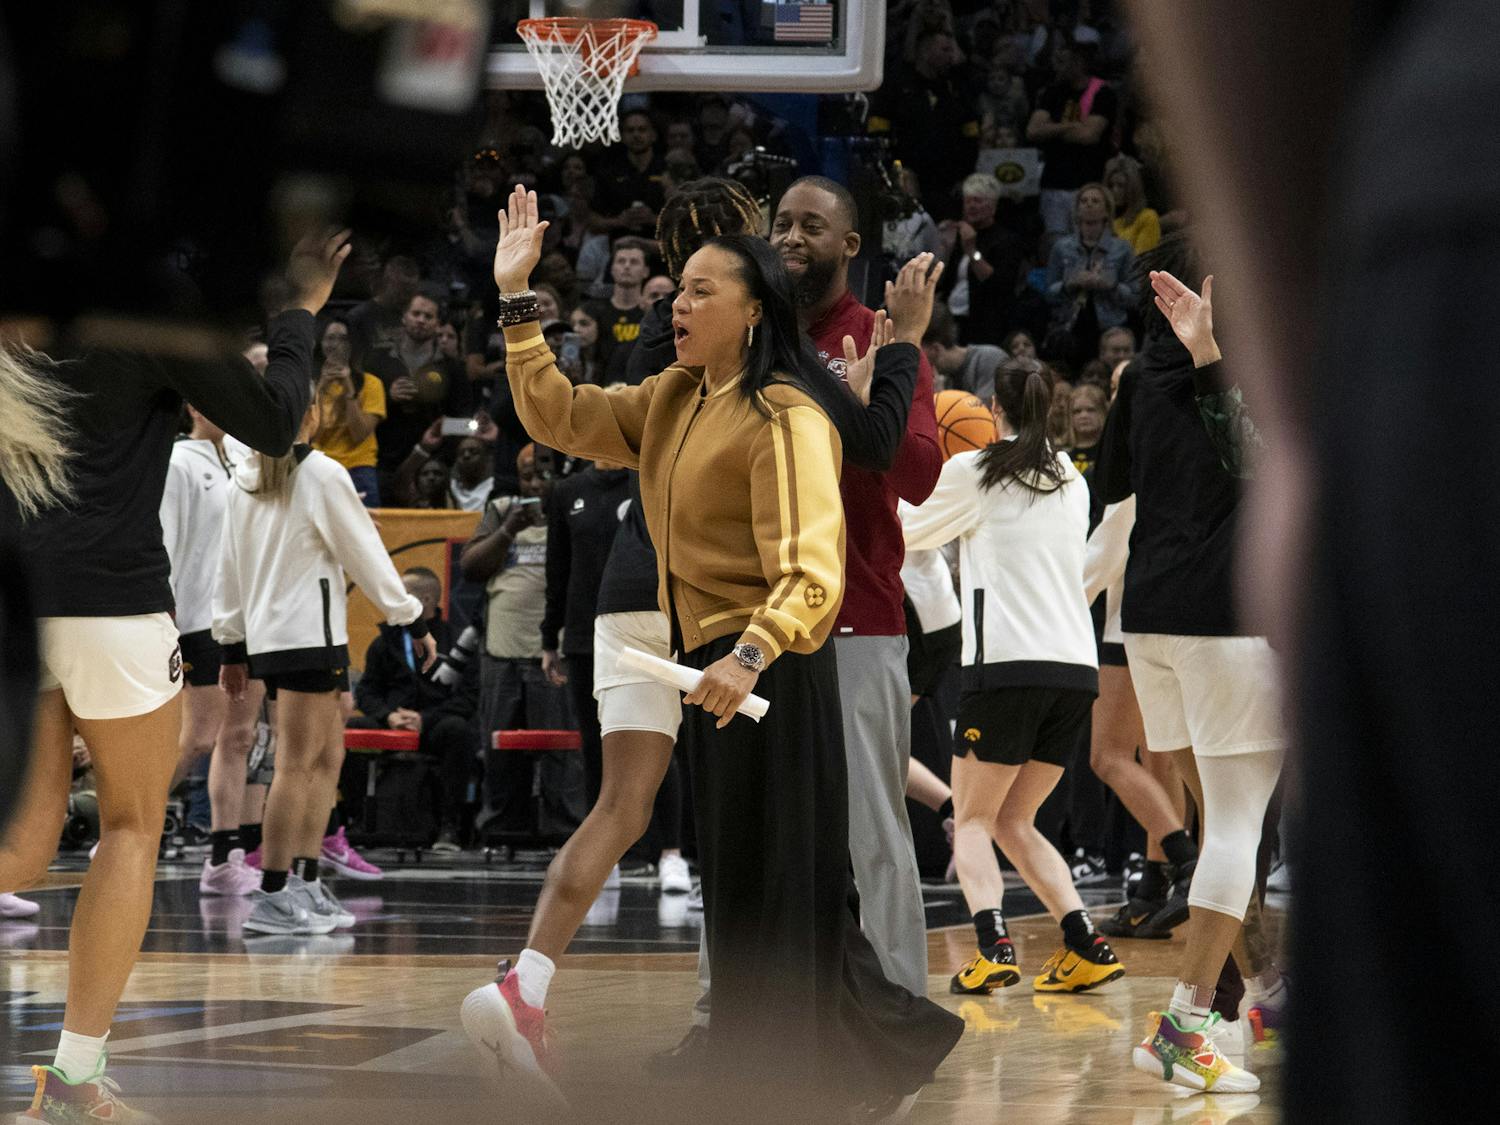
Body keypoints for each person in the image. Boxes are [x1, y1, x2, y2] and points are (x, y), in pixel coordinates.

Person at [465, 184, 962, 1117]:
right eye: (676, 289)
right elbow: (558, 415)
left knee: (789, 889)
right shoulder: (675, 395)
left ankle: (814, 1066)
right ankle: (760, 1058)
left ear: (752, 312)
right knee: (740, 889)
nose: (675, 304)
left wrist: (750, 654)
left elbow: (814, 568)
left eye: (698, 291)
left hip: (773, 671)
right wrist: (517, 300)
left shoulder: (783, 409)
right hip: (714, 670)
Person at [0, 230, 347, 1122]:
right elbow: (273, 422)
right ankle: (75, 1081)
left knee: (24, 838)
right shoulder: (143, 299)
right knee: (129, 825)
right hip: (112, 605)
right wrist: (299, 316)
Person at [1090, 242, 1283, 1094]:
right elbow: (1254, 467)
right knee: (1241, 828)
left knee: (1222, 830)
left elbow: (1114, 492)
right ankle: (1188, 1019)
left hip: (1153, 620)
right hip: (1223, 619)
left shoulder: (1137, 380)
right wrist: (1213, 357)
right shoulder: (1231, 367)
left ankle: (1257, 999)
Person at [765, 175, 941, 1000]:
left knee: (873, 832)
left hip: (856, 617)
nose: (792, 236)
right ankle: (726, 1015)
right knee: (753, 836)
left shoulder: (883, 334)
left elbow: (917, 472)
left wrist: (881, 373)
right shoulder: (748, 335)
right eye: (781, 224)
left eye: (811, 225)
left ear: (850, 245)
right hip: (753, 621)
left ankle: (900, 1016)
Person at [903, 357, 1126, 997]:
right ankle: (1086, 942)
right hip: (1074, 669)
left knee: (972, 819)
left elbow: (906, 530)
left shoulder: (972, 470)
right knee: (1015, 821)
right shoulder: (1070, 480)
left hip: (1004, 665)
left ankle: (994, 947)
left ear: (990, 409)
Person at [214, 382, 437, 937]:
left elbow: (229, 570)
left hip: (289, 636)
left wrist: (232, 643)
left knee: (326, 760)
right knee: (297, 764)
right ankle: (272, 893)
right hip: (306, 636)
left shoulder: (251, 481)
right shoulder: (320, 475)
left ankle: (307, 879)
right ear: (309, 414)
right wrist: (411, 618)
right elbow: (368, 557)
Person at [536, 457, 689, 887]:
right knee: (598, 747)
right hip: (588, 633)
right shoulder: (568, 492)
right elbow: (557, 570)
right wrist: (551, 637)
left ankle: (671, 852)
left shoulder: (649, 477)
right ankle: (606, 861)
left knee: (663, 741)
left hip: (656, 620)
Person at [160, 403, 266, 897]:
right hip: (200, 616)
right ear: (194, 407)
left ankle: (225, 857)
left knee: (241, 737)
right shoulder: (179, 459)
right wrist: (168, 612)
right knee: (197, 737)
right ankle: (123, 825)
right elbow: (166, 540)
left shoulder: (247, 456)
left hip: (252, 618)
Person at [463, 446, 582, 839]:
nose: (534, 483)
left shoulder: (573, 507)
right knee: (498, 751)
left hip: (555, 651)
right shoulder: (501, 508)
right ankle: (500, 834)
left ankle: (563, 834)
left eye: (543, 474)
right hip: (502, 651)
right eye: (527, 475)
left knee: (561, 752)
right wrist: (508, 530)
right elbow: (471, 567)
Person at [353, 568, 478, 851]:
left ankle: (449, 826)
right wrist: (389, 715)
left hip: (435, 725)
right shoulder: (385, 641)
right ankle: (358, 819)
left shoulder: (457, 641)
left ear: (425, 599)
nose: (394, 600)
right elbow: (366, 691)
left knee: (458, 731)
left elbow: (469, 696)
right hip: (393, 722)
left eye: (403, 595)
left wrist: (426, 718)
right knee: (352, 731)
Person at [868, 28, 981, 220]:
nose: (951, 56)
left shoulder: (956, 87)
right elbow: (877, 132)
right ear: (925, 51)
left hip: (947, 183)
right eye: (945, 50)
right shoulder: (897, 85)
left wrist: (966, 174)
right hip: (907, 181)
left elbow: (971, 134)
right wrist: (892, 171)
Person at [370, 293, 471, 491]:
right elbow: (362, 410)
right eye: (416, 313)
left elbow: (466, 423)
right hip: (383, 460)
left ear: (437, 324)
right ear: (404, 317)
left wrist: (442, 429)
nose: (421, 320)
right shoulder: (378, 361)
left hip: (434, 465)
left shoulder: (454, 369)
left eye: (428, 316)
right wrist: (388, 398)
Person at [1027, 36, 1119, 235]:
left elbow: (1089, 135)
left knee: (1087, 238)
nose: (1056, 67)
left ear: (1078, 63)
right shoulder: (1051, 93)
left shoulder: (1102, 93)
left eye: (1062, 62)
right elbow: (1033, 131)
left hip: (1087, 183)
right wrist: (1070, 126)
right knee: (1054, 243)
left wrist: (1051, 129)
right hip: (1053, 183)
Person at [1046, 184, 1137, 358]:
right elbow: (1049, 293)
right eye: (1084, 201)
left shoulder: (1122, 248)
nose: (1088, 204)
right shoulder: (1061, 247)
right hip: (1069, 325)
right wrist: (1069, 284)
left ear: (1106, 211)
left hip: (1110, 326)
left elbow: (1134, 296)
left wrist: (1110, 285)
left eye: (1095, 201)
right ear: (1077, 209)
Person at [937, 175, 1025, 346]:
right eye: (967, 201)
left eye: (977, 201)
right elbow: (945, 282)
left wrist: (971, 251)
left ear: (993, 206)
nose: (971, 206)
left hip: (985, 323)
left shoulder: (1006, 240)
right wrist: (945, 249)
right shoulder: (959, 235)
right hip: (952, 319)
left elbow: (997, 283)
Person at [312, 348, 385, 508]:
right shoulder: (313, 387)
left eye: (343, 339)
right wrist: (321, 389)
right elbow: (310, 435)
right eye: (330, 338)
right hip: (321, 467)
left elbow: (359, 434)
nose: (336, 345)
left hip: (358, 468)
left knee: (366, 530)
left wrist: (349, 390)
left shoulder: (372, 384)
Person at [583, 238, 653, 380]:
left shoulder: (651, 314)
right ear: (612, 269)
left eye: (634, 262)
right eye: (621, 261)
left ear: (645, 271)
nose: (627, 266)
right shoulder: (593, 312)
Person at [594, 109, 667, 237]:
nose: (636, 135)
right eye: (630, 130)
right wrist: (619, 221)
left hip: (658, 247)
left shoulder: (667, 169)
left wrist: (653, 219)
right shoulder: (609, 172)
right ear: (622, 136)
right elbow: (593, 221)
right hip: (620, 247)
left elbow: (684, 219)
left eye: (642, 129)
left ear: (653, 135)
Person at [922, 303, 1007, 400]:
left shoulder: (989, 360)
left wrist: (940, 397)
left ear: (936, 349)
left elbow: (984, 413)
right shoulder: (947, 380)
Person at [345, 254, 421, 361]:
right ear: (387, 281)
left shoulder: (419, 317)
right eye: (402, 289)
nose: (406, 296)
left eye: (411, 290)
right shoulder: (358, 317)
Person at [1105, 154, 1162, 254]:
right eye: (1111, 185)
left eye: (1120, 186)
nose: (1114, 191)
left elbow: (1142, 261)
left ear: (1133, 188)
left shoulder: (1147, 217)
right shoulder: (1105, 221)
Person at [1067, 382, 1108, 476]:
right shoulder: (1061, 454)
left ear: (1103, 412)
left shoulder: (1109, 452)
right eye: (1077, 411)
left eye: (1090, 410)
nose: (1084, 416)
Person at [448, 435, 494, 511]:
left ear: (486, 458)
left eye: (474, 452)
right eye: (461, 453)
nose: (466, 455)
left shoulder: (495, 487)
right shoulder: (451, 488)